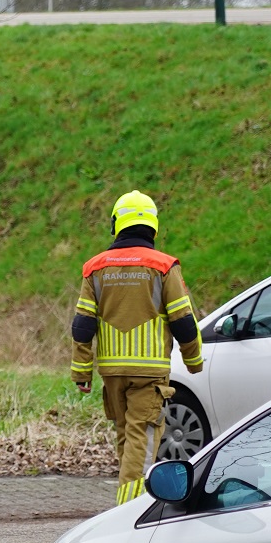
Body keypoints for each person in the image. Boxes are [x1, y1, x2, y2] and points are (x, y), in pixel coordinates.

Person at [72, 191, 204, 503]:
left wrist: (81, 371)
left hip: (113, 374)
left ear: (116, 224)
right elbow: (184, 321)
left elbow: (82, 325)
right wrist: (194, 360)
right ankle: (129, 511)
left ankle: (129, 501)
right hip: (149, 374)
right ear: (153, 226)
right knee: (141, 445)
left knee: (127, 440)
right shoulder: (164, 266)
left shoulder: (94, 268)